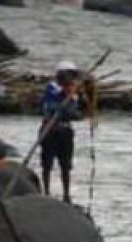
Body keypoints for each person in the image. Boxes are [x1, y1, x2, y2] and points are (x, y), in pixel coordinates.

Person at [39, 60, 85, 204]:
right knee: (47, 163)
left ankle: (66, 194)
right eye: (68, 75)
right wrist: (67, 97)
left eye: (72, 76)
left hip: (65, 131)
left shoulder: (74, 93)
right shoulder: (52, 88)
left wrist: (78, 101)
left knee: (65, 164)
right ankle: (46, 192)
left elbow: (76, 113)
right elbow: (52, 106)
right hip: (50, 129)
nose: (71, 79)